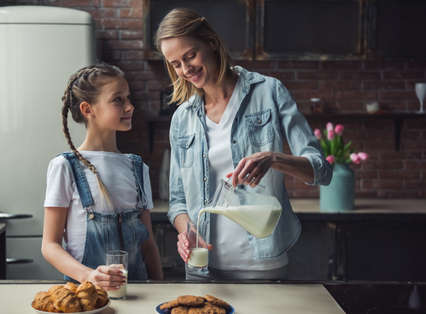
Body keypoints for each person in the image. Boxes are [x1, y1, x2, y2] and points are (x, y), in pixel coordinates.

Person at [155, 9, 332, 280]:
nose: (185, 69)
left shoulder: (269, 92)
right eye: (176, 64)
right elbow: (178, 201)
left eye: (190, 55)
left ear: (211, 42)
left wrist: (274, 159)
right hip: (202, 268)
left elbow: (321, 170)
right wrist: (185, 232)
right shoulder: (182, 118)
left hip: (262, 264)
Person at [42, 63, 163, 290]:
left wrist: (162, 291)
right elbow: (49, 245)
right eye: (118, 100)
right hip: (86, 296)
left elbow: (148, 244)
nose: (130, 107)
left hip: (139, 295)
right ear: (88, 109)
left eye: (128, 98)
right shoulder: (65, 166)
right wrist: (89, 275)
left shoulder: (137, 167)